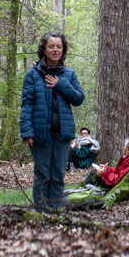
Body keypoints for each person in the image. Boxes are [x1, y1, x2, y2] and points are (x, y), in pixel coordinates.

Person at [20, 32, 84, 211]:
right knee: (42, 174)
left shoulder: (69, 75)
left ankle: (54, 211)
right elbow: (27, 105)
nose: (55, 50)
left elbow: (79, 98)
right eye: (51, 46)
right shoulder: (32, 75)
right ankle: (41, 212)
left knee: (58, 174)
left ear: (63, 50)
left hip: (63, 134)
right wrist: (27, 132)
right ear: (44, 49)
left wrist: (59, 84)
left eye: (59, 47)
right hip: (40, 134)